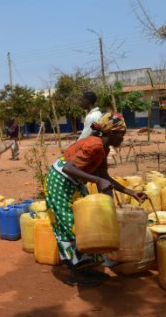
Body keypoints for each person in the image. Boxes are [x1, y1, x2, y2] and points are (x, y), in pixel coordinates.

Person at [45, 113, 147, 286]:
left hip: (74, 182)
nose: (123, 137)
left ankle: (85, 265)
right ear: (110, 133)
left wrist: (130, 192)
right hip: (60, 181)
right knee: (71, 224)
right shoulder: (95, 145)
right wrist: (98, 181)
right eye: (121, 133)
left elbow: (103, 176)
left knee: (89, 224)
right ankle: (73, 270)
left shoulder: (103, 148)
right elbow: (69, 168)